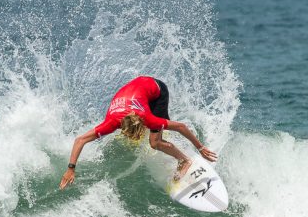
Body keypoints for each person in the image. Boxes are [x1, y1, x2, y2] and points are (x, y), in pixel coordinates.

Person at [59, 76, 217, 190]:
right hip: (137, 89)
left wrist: (200, 147)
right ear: (121, 126)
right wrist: (71, 168)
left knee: (154, 143)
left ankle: (184, 160)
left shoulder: (148, 118)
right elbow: (80, 140)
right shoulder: (111, 122)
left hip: (157, 90)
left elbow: (181, 126)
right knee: (156, 137)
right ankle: (164, 139)